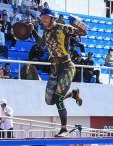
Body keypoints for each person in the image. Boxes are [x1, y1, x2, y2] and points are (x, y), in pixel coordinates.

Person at [28, 7, 84, 137]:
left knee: (58, 98)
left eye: (45, 17)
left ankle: (64, 129)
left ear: (52, 18)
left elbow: (82, 33)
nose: (43, 20)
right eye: (42, 18)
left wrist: (78, 25)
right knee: (49, 100)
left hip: (67, 66)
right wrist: (33, 31)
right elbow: (41, 43)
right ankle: (73, 94)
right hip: (55, 69)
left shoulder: (62, 28)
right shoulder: (46, 32)